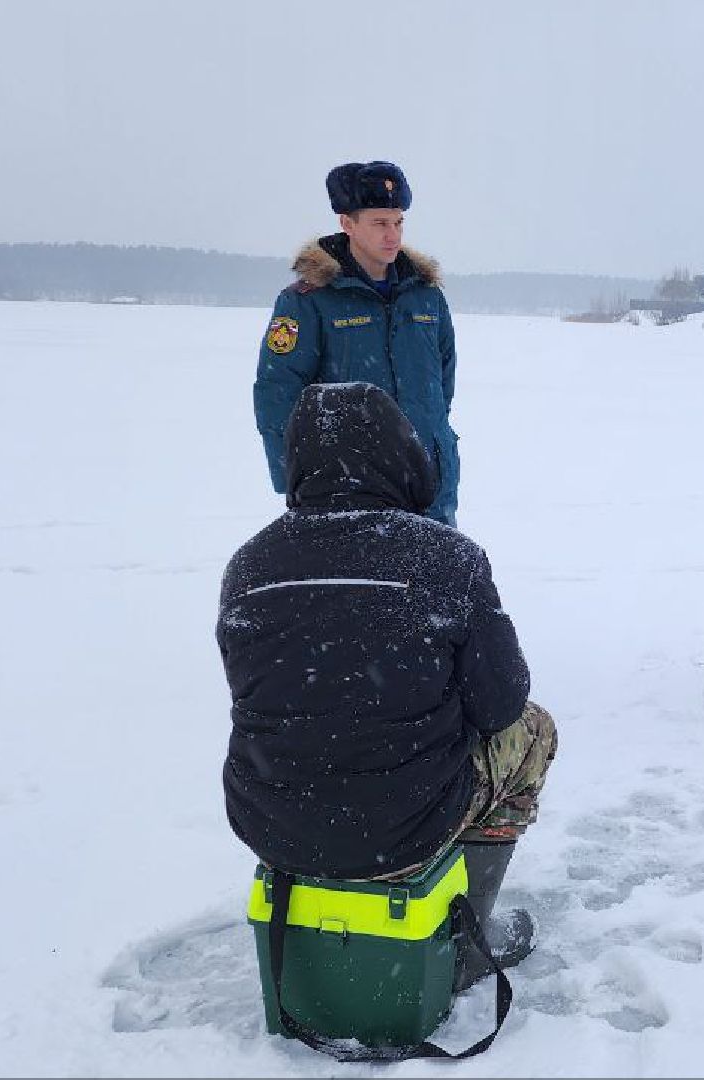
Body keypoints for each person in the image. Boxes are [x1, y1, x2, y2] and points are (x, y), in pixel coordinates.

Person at [219, 381, 555, 970]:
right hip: (408, 825)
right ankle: (463, 940)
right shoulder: (446, 557)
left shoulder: (248, 564)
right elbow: (503, 705)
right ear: (402, 454)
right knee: (535, 732)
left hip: (270, 823)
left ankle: (320, 893)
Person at [253, 161, 462, 526]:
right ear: (347, 224)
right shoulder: (309, 300)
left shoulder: (426, 295)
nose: (392, 235)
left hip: (430, 484)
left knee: (434, 581)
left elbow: (442, 384)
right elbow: (278, 391)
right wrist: (297, 480)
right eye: (379, 223)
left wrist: (434, 442)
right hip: (349, 488)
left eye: (398, 222)